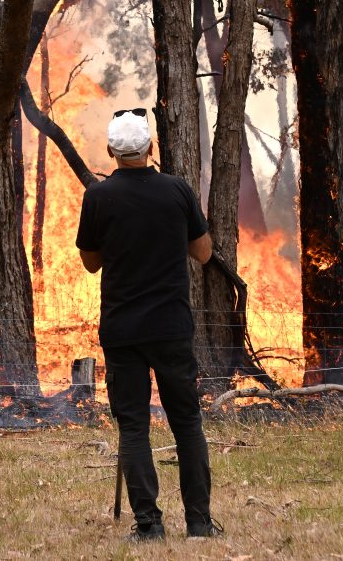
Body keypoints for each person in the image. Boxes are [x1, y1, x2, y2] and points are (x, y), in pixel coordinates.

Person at [75, 109, 220, 542]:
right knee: (187, 422)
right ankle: (198, 523)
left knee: (134, 426)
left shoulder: (98, 197)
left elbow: (90, 263)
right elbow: (204, 252)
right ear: (151, 149)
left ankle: (149, 526)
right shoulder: (177, 190)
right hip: (172, 327)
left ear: (111, 152)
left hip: (123, 331)